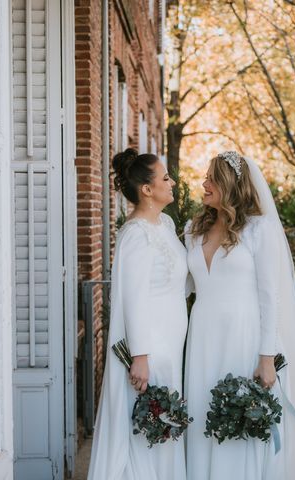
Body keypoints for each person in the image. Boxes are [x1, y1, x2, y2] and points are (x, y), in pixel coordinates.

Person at [184, 151, 295, 479]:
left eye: (211, 178)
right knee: (204, 410)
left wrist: (267, 357)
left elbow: (270, 297)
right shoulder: (194, 228)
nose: (203, 183)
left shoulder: (259, 229)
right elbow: (183, 285)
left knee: (240, 417)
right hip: (202, 335)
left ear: (230, 184)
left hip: (243, 336)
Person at [87, 148, 188, 480]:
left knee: (165, 423)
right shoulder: (135, 234)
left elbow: (176, 281)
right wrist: (140, 355)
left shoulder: (166, 223)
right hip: (151, 347)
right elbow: (132, 299)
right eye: (165, 177)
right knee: (149, 425)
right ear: (147, 189)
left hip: (171, 343)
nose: (172, 182)